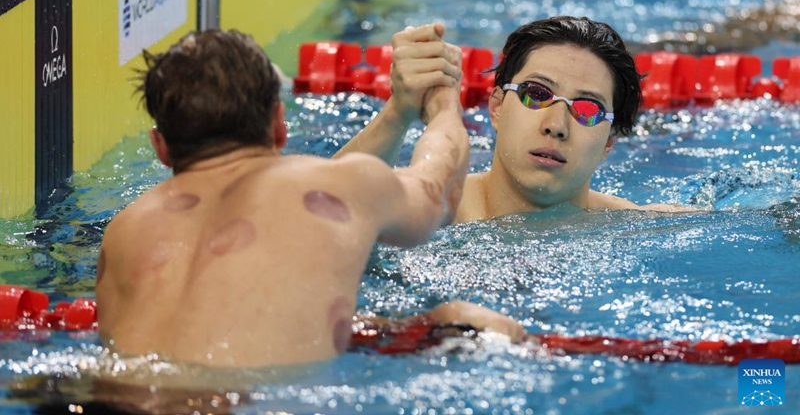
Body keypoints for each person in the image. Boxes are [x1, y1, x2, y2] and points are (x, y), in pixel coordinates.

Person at [95, 28, 524, 370]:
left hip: (106, 396)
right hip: (238, 402)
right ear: (279, 124)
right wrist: (445, 102)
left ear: (161, 147)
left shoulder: (124, 228)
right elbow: (440, 190)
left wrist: (398, 110)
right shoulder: (339, 183)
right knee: (457, 317)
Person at [336, 16, 688, 222]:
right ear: (497, 107)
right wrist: (400, 111)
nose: (556, 125)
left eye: (587, 109)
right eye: (536, 94)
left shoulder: (637, 226)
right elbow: (316, 211)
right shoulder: (432, 211)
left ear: (608, 145)